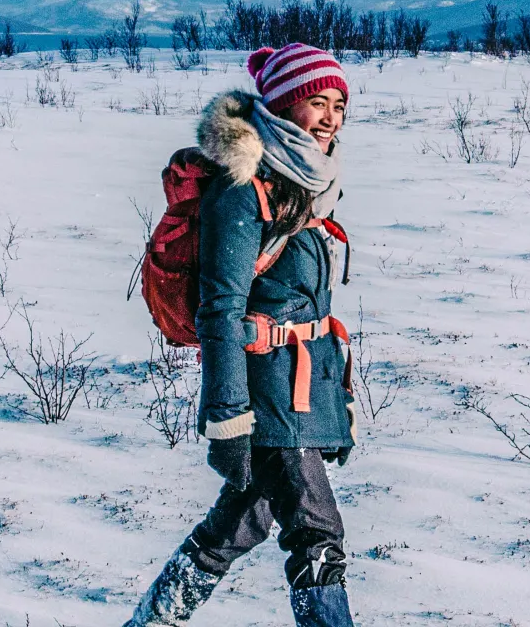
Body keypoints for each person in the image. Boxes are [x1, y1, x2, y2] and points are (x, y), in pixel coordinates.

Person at [125, 44, 358, 627]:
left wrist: (336, 402)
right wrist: (226, 416)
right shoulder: (242, 191)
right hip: (265, 398)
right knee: (317, 535)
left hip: (302, 391)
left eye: (338, 105)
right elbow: (219, 310)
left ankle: (151, 621)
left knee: (243, 520)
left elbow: (309, 311)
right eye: (315, 103)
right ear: (281, 107)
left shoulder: (310, 185)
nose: (329, 118)